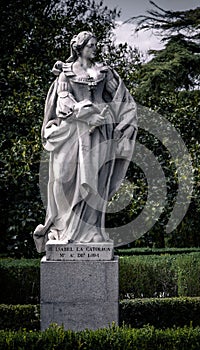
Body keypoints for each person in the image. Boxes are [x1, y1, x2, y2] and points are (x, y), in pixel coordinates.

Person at [33, 31, 137, 253]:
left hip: (100, 132)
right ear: (79, 47)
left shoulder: (103, 72)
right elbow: (62, 103)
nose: (94, 48)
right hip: (72, 132)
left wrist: (122, 124)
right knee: (62, 178)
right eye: (90, 45)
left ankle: (91, 232)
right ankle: (63, 228)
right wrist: (85, 111)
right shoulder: (66, 72)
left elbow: (122, 100)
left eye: (95, 45)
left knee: (95, 183)